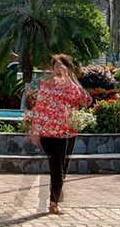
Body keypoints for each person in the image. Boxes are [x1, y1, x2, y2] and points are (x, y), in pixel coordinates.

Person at [26, 53, 92, 215]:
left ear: (69, 68)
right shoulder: (46, 84)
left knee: (62, 167)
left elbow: (79, 98)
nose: (57, 69)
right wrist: (36, 131)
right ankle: (54, 203)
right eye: (55, 66)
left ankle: (54, 197)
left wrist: (67, 77)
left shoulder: (70, 84)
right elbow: (39, 108)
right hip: (49, 133)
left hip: (67, 132)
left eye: (61, 66)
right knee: (56, 167)